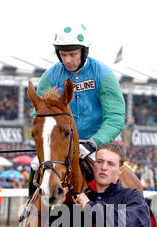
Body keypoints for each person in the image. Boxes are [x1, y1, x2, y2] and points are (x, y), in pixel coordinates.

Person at [28, 23, 126, 197]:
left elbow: (115, 116)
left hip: (95, 144)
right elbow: (39, 115)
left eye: (73, 54)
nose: (67, 60)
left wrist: (94, 142)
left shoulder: (104, 75)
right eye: (63, 55)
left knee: (107, 174)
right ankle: (32, 215)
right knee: (36, 168)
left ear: (84, 51)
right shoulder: (49, 77)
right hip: (60, 145)